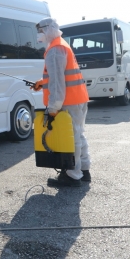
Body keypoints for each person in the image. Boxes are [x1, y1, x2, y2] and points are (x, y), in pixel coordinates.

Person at [32, 18, 90, 187]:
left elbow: (58, 84)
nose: (38, 35)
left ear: (48, 30)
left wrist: (53, 108)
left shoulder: (55, 50)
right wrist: (41, 83)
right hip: (77, 98)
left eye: (40, 31)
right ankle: (84, 170)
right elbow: (59, 76)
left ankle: (72, 175)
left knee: (72, 138)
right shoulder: (61, 45)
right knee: (78, 134)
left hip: (68, 101)